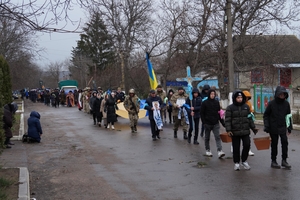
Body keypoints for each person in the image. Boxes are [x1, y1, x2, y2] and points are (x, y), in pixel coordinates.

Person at [225, 91, 258, 171]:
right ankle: (236, 163)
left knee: (247, 145)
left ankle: (244, 160)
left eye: (241, 98)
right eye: (238, 98)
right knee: (236, 148)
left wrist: (253, 128)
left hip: (245, 131)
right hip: (235, 131)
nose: (240, 99)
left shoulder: (246, 107)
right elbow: (228, 120)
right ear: (235, 98)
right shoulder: (230, 108)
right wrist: (228, 130)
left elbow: (250, 119)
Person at [263, 86, 292, 169]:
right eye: (281, 94)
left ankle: (284, 160)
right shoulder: (272, 103)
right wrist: (267, 125)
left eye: (284, 94)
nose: (282, 95)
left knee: (285, 143)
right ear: (277, 94)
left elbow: (288, 116)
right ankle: (273, 161)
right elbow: (266, 115)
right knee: (274, 144)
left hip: (282, 127)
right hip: (273, 127)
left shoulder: (286, 104)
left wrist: (289, 127)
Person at [200, 89, 225, 158]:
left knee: (217, 137)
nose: (212, 95)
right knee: (207, 137)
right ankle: (208, 150)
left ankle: (219, 150)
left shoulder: (217, 103)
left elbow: (219, 113)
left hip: (215, 123)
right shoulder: (204, 103)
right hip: (207, 123)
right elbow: (202, 113)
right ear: (209, 94)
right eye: (211, 94)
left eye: (214, 94)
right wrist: (204, 123)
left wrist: (223, 123)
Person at [243, 90, 255, 156]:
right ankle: (233, 147)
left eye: (248, 97)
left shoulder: (249, 103)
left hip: (247, 122)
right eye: (245, 97)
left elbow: (251, 110)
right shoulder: (239, 103)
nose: (247, 98)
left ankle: (248, 150)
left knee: (248, 137)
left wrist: (252, 113)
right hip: (240, 122)